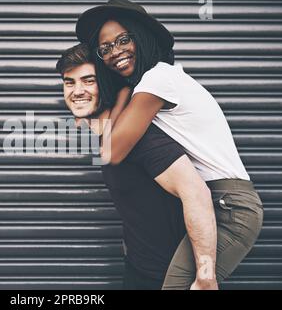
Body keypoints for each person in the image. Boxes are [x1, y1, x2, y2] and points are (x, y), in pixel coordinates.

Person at [75, 0, 264, 289]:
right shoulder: (152, 82)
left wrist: (205, 273)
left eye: (123, 39)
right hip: (220, 205)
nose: (116, 52)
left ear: (142, 36)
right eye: (106, 48)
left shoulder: (157, 79)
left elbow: (114, 149)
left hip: (230, 209)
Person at [56, 43, 220, 289]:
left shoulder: (138, 137)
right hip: (138, 270)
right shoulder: (110, 137)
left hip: (169, 277)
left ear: (107, 84)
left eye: (88, 80)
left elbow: (197, 195)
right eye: (70, 82)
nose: (77, 91)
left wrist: (205, 277)